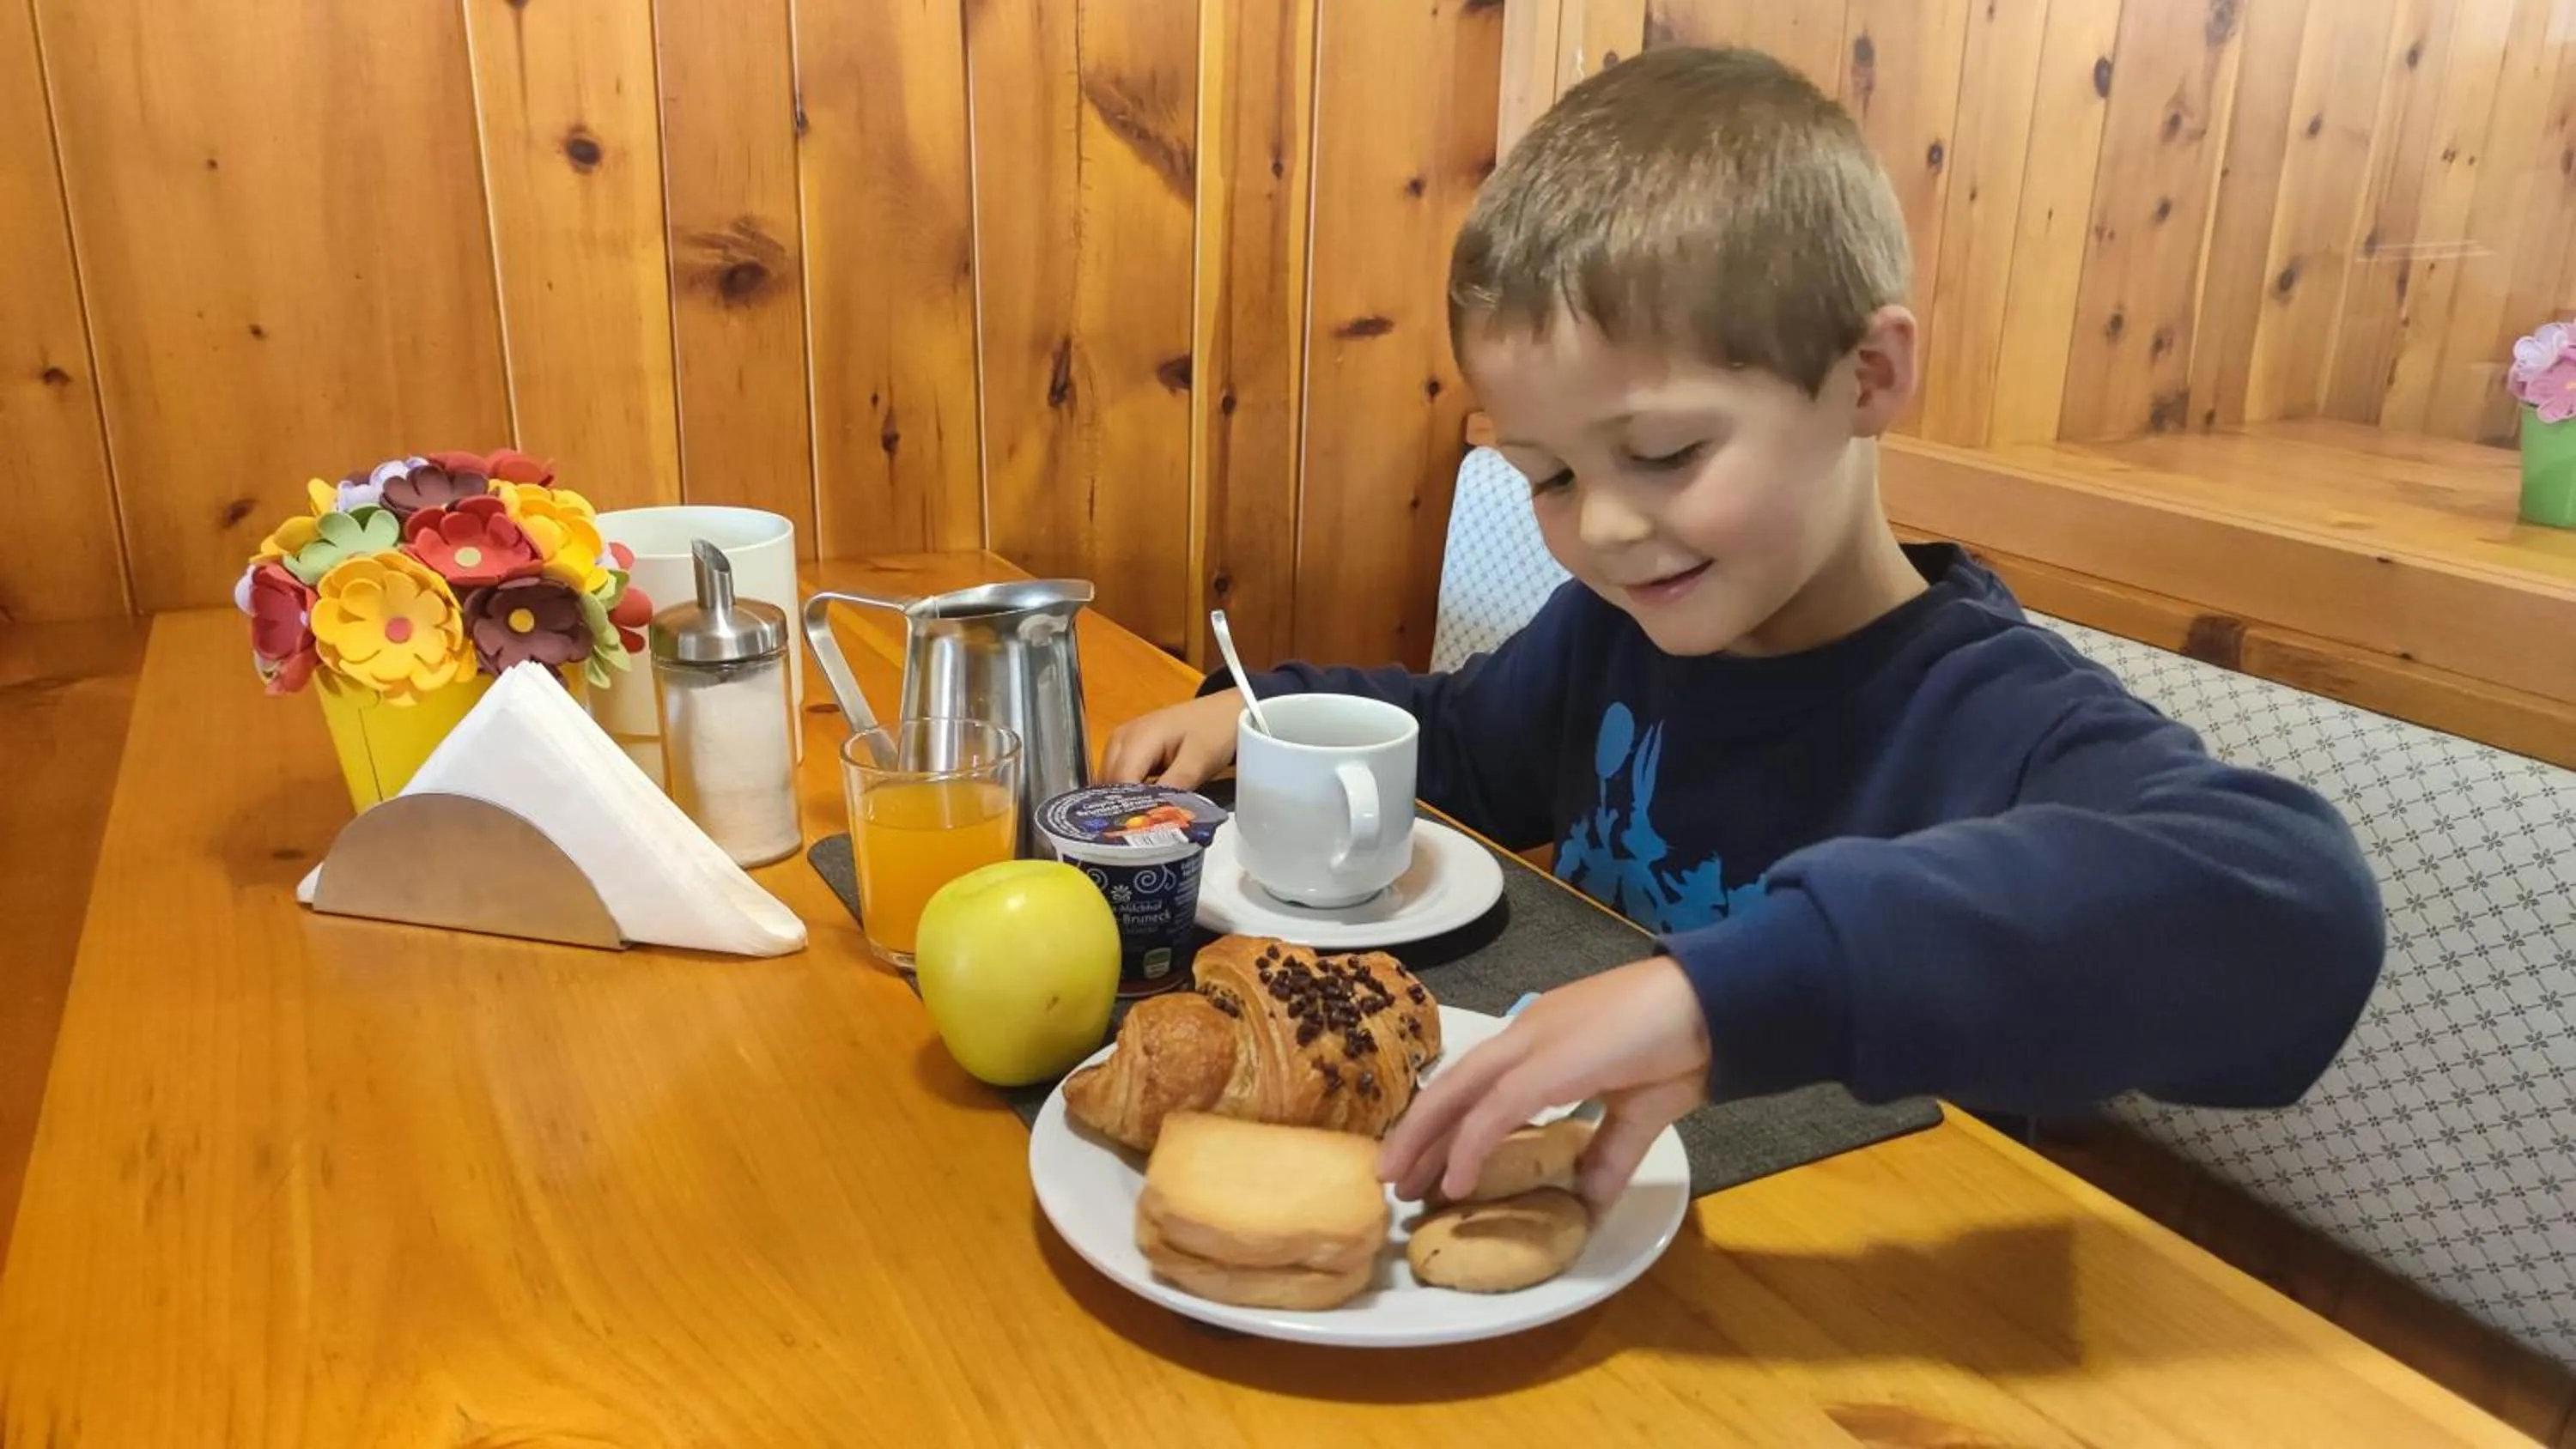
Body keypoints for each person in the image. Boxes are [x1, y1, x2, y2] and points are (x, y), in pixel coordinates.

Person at [1100, 46, 2383, 1211]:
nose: (1599, 528)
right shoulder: (1618, 634)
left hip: (1846, 1291)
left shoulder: (1995, 719)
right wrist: (1253, 707)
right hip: (1584, 1233)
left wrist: (1734, 990)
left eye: (1664, 452)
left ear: (1868, 378)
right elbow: (1463, 738)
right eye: (1548, 476)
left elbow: (2300, 922)